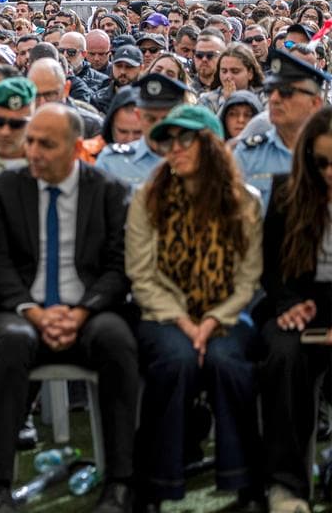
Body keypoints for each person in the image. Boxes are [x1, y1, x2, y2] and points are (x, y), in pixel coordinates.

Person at [0, 104, 138, 513]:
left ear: (74, 148)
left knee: (117, 340)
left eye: (46, 145)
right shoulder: (4, 187)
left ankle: (121, 482)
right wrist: (33, 312)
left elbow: (118, 267)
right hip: (25, 310)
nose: (33, 152)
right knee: (11, 342)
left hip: (89, 310)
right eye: (31, 141)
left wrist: (82, 311)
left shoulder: (107, 190)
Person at [126, 105, 265, 511]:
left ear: (211, 145)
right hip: (163, 313)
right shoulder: (147, 198)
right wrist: (186, 324)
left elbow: (248, 279)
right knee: (176, 359)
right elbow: (142, 276)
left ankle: (246, 482)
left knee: (227, 359)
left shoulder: (246, 201)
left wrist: (211, 322)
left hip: (227, 311)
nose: (175, 148)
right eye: (168, 140)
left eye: (186, 139)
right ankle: (155, 484)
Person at [255, 105, 332, 513]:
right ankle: (285, 484)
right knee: (283, 356)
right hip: (299, 300)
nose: (330, 172)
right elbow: (270, 265)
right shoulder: (287, 191)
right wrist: (287, 304)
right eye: (321, 163)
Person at [234, 50, 331, 210]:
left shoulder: (326, 153)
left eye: (286, 92)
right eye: (270, 90)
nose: (274, 99)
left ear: (315, 103)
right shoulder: (248, 154)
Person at [94, 73, 187, 189]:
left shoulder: (194, 157)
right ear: (138, 116)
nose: (158, 127)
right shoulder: (112, 161)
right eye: (151, 119)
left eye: (165, 119)